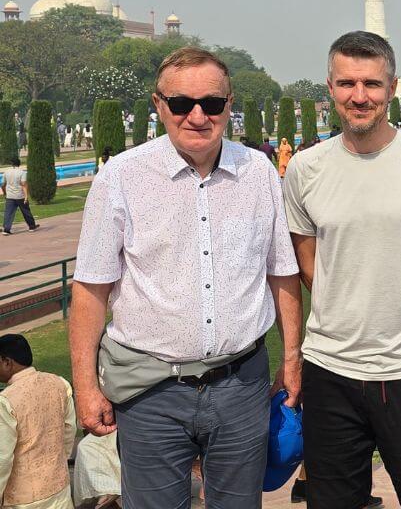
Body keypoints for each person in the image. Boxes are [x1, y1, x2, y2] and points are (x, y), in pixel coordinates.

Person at [69, 46, 304, 509]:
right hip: (151, 392)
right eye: (181, 104)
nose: (197, 115)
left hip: (241, 385)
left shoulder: (257, 171)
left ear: (228, 105)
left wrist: (292, 357)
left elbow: (282, 272)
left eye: (212, 104)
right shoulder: (122, 176)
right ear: (159, 105)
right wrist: (85, 386)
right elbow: (91, 289)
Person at [283, 31, 401, 509]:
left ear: (393, 88)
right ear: (330, 87)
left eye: (371, 83)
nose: (359, 96)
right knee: (333, 501)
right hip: (330, 368)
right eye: (347, 83)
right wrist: (352, 301)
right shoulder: (306, 168)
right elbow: (308, 264)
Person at [0, 334, 76, 509]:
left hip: (23, 500)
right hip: (59, 488)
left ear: (7, 361)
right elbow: (69, 432)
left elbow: (2, 458)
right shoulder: (59, 383)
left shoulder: (6, 401)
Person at [2, 159, 39, 236]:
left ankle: (6, 229)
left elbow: (3, 185)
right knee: (26, 211)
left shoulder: (6, 172)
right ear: (19, 164)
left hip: (10, 196)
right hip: (20, 196)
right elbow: (24, 184)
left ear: (12, 164)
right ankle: (32, 227)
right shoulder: (22, 172)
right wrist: (26, 197)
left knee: (8, 213)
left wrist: (5, 193)